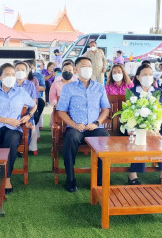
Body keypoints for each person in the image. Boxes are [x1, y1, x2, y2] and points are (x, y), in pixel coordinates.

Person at [56, 57, 110, 192]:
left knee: (104, 135)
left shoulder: (99, 87)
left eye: (89, 66)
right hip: (76, 128)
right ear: (76, 70)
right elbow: (61, 111)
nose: (87, 69)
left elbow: (105, 109)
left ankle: (100, 178)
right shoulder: (69, 88)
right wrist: (74, 124)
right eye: (84, 66)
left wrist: (97, 122)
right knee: (70, 139)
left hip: (94, 127)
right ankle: (70, 179)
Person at [0, 63, 36, 194]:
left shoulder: (21, 92)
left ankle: (6, 177)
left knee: (11, 140)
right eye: (7, 74)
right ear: (0, 77)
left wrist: (29, 115)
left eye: (13, 74)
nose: (11, 77)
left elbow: (34, 105)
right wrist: (6, 120)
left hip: (13, 128)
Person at [127, 63, 162, 184]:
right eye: (144, 74)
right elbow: (129, 111)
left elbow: (160, 111)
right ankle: (133, 174)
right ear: (138, 77)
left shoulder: (158, 91)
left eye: (150, 74)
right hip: (135, 125)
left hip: (154, 126)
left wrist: (155, 127)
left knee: (160, 137)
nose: (148, 77)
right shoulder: (132, 91)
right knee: (140, 136)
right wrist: (138, 127)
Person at [26, 59, 46, 125]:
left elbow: (43, 88)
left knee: (41, 103)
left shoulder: (38, 77)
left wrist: (31, 88)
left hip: (35, 97)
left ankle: (36, 120)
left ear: (31, 67)